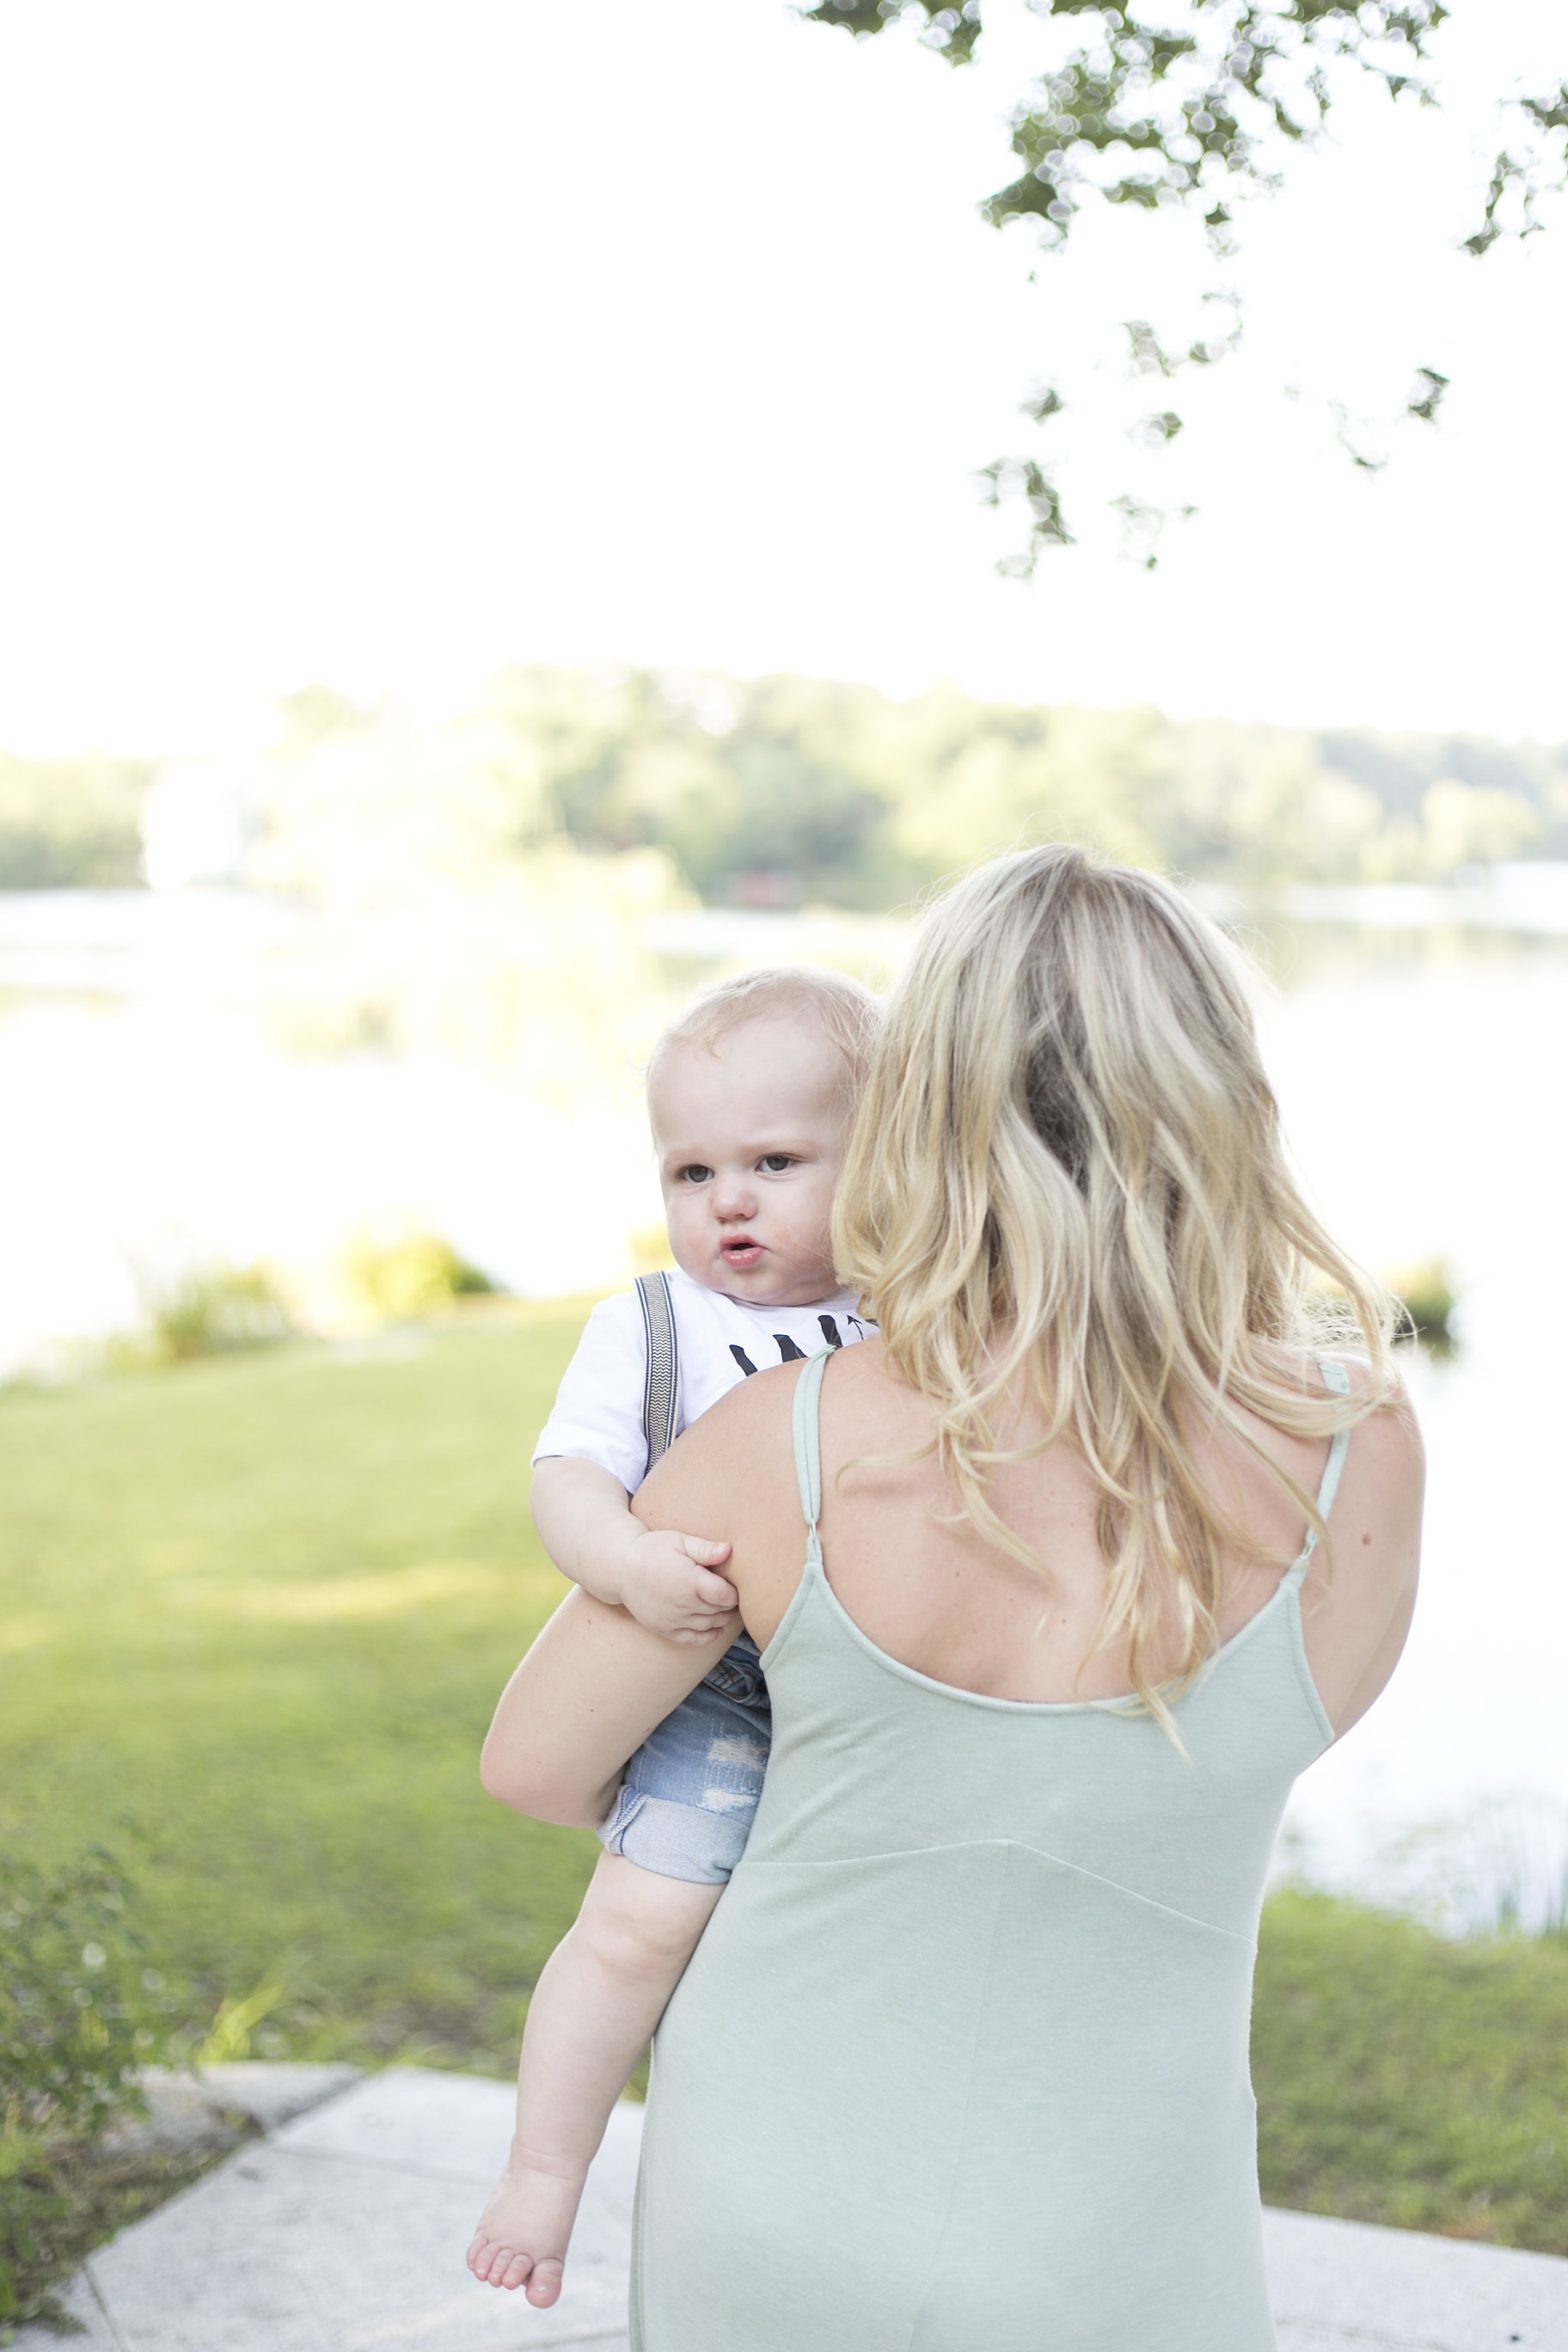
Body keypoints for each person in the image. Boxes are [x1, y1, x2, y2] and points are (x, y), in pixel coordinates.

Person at [476, 846, 1424, 2350]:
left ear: (919, 1114)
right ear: (1223, 1101)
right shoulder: (1355, 1450)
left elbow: (532, 1768)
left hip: (769, 2211)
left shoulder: (772, 1444)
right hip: (1129, 2249)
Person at [467, 965, 879, 2306]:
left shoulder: (912, 1315)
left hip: (874, 1680)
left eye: (774, 1160)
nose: (729, 1202)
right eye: (692, 1172)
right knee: (642, 1923)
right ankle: (544, 2170)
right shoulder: (654, 1325)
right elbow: (567, 1477)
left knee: (832, 1962)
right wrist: (629, 1565)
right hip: (712, 1675)